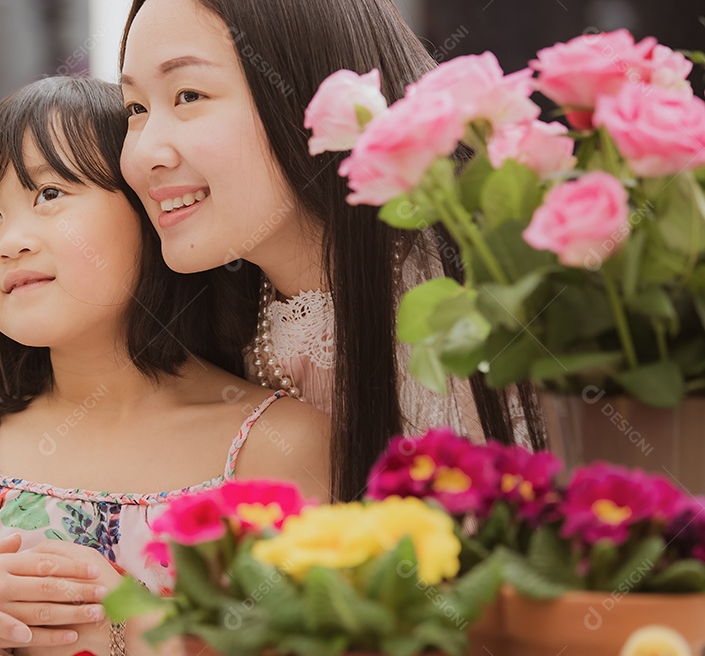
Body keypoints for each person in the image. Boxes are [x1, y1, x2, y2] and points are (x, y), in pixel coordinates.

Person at [0, 76, 331, 656]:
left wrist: (129, 631)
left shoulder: (280, 444)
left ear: (152, 210)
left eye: (49, 194)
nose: (9, 241)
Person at [117, 0, 546, 502]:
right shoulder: (191, 332)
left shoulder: (496, 296)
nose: (144, 154)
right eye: (136, 109)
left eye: (189, 95)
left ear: (303, 87)